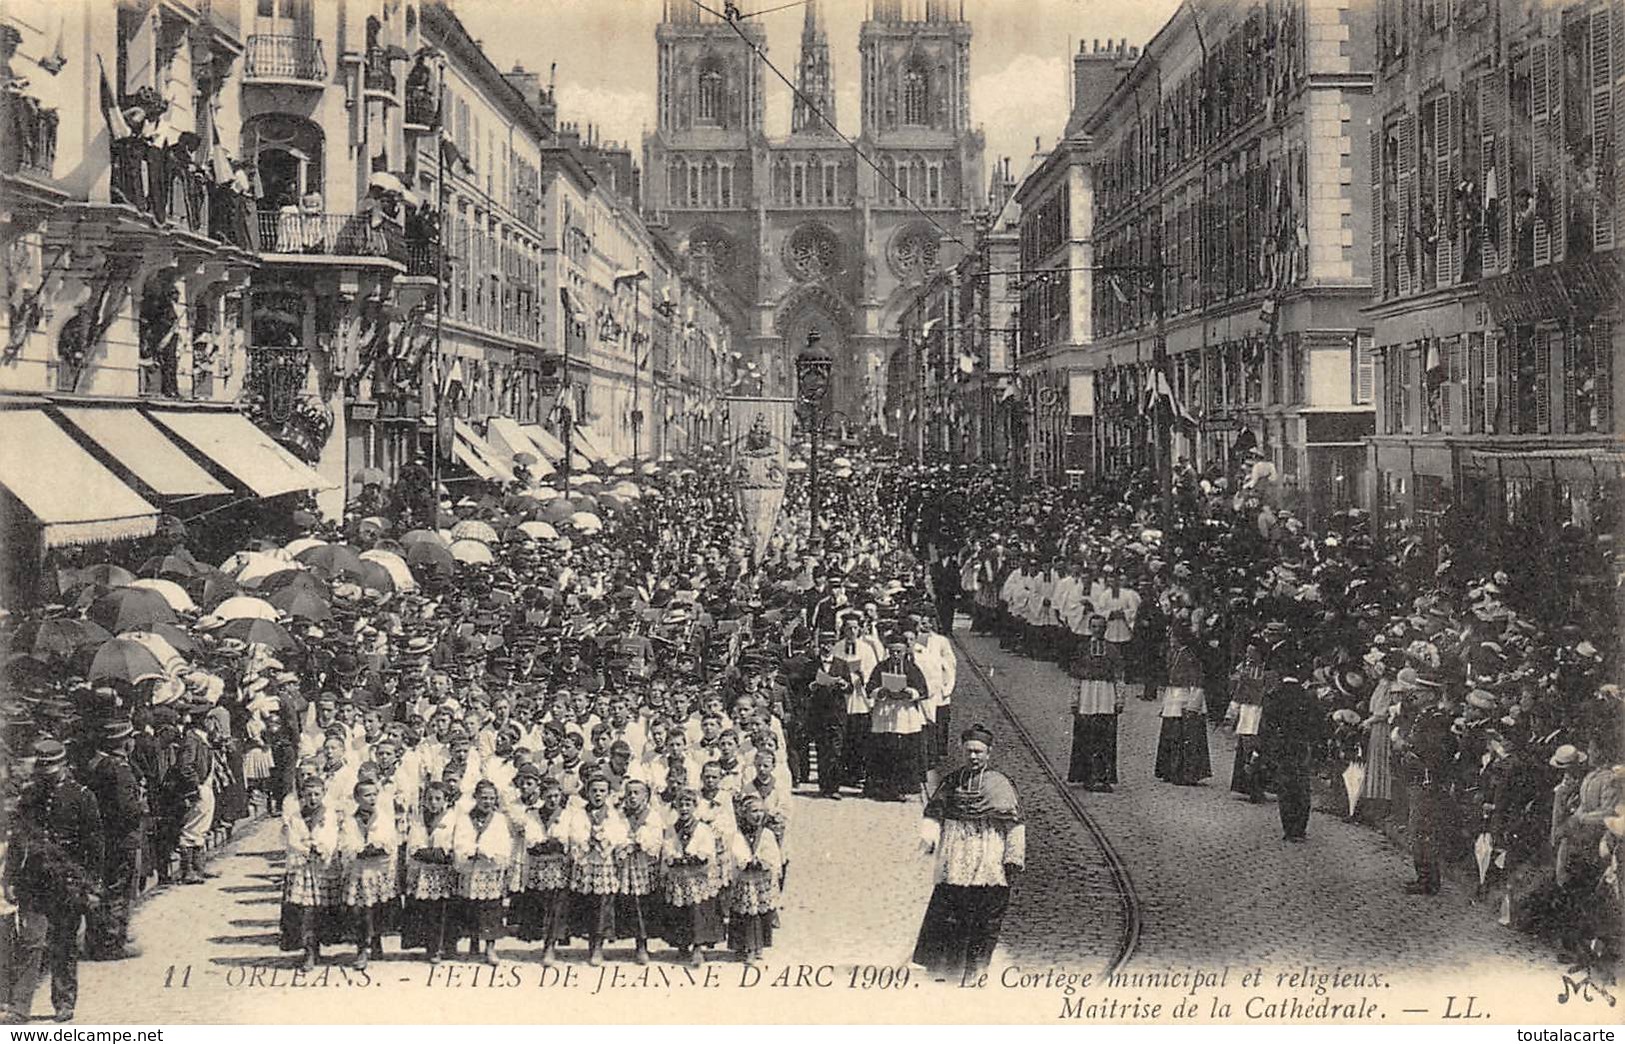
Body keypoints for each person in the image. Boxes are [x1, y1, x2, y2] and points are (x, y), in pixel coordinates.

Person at [912, 724, 1023, 982]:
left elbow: (1015, 822)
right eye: (970, 752)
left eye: (979, 752)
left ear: (989, 753)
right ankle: (945, 968)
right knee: (949, 914)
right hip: (957, 855)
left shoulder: (1000, 784)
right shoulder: (952, 781)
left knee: (984, 917)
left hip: (989, 856)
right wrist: (929, 837)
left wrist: (1014, 857)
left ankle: (977, 968)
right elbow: (935, 811)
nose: (974, 757)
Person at [3, 741, 103, 1024]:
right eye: (42, 769)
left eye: (51, 769)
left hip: (67, 886)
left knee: (64, 945)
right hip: (33, 884)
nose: (45, 775)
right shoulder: (30, 796)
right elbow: (18, 841)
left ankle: (64, 1002)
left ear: (64, 766)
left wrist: (92, 886)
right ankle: (20, 1007)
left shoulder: (82, 797)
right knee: (30, 942)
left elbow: (95, 846)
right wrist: (9, 878)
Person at [84, 720, 146, 961]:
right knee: (119, 889)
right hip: (122, 838)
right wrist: (141, 806)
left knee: (109, 887)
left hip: (107, 837)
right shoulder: (119, 769)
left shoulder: (99, 764)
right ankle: (111, 943)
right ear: (125, 741)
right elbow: (126, 808)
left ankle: (97, 939)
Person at [279, 774, 341, 973]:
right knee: (305, 911)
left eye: (316, 794)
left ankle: (321, 944)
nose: (313, 798)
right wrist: (306, 848)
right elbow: (291, 839)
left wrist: (321, 847)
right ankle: (308, 951)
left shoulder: (329, 815)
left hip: (322, 867)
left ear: (323, 794)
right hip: (302, 868)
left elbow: (332, 837)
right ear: (302, 796)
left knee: (321, 910)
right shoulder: (295, 817)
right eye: (308, 795)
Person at [564, 772, 627, 966]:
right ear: (587, 793)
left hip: (604, 863)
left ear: (608, 793)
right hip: (586, 862)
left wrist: (605, 839)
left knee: (602, 904)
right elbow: (574, 832)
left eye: (602, 791)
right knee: (586, 903)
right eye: (594, 791)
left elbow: (619, 835)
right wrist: (586, 839)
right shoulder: (580, 813)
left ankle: (598, 945)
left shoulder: (613, 815)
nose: (598, 795)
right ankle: (589, 943)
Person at [339, 778, 399, 969]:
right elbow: (346, 844)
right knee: (359, 911)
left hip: (377, 869)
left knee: (376, 908)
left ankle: (376, 941)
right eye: (366, 795)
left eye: (374, 794)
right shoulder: (350, 821)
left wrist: (379, 846)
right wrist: (360, 850)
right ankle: (361, 948)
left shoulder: (384, 818)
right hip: (359, 870)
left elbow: (391, 840)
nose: (371, 798)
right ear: (357, 798)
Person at [452, 780, 512, 965]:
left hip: (490, 870)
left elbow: (504, 844)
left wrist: (489, 852)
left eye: (491, 798)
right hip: (472, 869)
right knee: (471, 907)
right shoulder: (464, 818)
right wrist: (471, 851)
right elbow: (459, 841)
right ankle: (473, 943)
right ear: (475, 798)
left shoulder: (499, 819)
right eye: (483, 798)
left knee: (491, 909)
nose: (487, 802)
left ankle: (490, 948)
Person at [1261, 675, 1324, 841]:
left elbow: (1268, 723)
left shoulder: (1276, 695)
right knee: (1302, 784)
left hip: (1283, 745)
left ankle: (1289, 828)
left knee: (1286, 786)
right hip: (1302, 745)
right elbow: (1317, 722)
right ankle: (1301, 828)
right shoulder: (1308, 696)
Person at [400, 782, 458, 964]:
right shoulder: (418, 820)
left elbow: (452, 846)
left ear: (446, 801)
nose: (433, 803)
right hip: (423, 871)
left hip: (443, 872)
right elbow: (414, 844)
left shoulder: (452, 819)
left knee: (442, 910)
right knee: (425, 909)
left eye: (438, 799)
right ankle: (429, 946)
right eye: (429, 799)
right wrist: (426, 853)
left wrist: (440, 854)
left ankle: (444, 946)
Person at [1066, 615, 1122, 791]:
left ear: (1106, 629)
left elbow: (1119, 678)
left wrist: (1120, 699)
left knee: (1105, 739)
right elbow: (1075, 677)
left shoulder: (1113, 650)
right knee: (1086, 738)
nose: (1097, 630)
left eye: (1101, 627)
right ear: (1090, 628)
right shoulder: (1082, 649)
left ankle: (1103, 777)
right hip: (1087, 699)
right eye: (1094, 626)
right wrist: (1074, 700)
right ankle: (1086, 776)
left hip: (1106, 698)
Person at [727, 795, 782, 962]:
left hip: (761, 879)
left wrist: (764, 862)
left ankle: (757, 946)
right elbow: (736, 853)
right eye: (753, 811)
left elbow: (772, 854)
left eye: (761, 811)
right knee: (745, 914)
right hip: (745, 879)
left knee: (760, 914)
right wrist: (746, 861)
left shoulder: (767, 834)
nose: (757, 815)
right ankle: (744, 947)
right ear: (744, 813)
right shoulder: (738, 834)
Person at [1225, 641, 1269, 802]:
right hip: (1246, 711)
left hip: (1258, 711)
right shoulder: (1243, 668)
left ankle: (1257, 788)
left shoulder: (1266, 670)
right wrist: (1231, 713)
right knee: (1244, 748)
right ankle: (1243, 785)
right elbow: (1237, 693)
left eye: (1251, 652)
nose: (1248, 655)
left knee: (1256, 749)